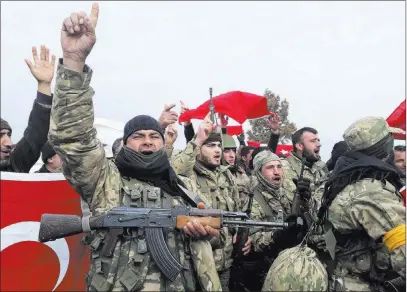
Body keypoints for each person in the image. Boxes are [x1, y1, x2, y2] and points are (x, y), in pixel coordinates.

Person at [48, 4, 222, 291]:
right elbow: (73, 138)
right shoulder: (106, 181)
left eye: (154, 136)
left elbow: (213, 238)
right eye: (138, 136)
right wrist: (73, 61)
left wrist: (203, 233)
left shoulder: (183, 186)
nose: (148, 141)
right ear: (125, 143)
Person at [314, 116, 405, 291]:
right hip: (358, 283)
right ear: (385, 148)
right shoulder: (372, 191)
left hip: (335, 275)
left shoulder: (338, 179)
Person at [172, 118, 251, 291]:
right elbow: (172, 170)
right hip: (195, 263)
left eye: (218, 146)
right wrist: (197, 139)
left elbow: (237, 211)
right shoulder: (188, 175)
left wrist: (244, 234)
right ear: (198, 149)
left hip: (226, 262)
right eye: (210, 146)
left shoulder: (226, 175)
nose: (217, 150)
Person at [1, 45, 55, 173]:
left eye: (8, 135)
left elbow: (36, 134)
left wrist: (44, 85)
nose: (8, 142)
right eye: (0, 135)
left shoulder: (14, 165)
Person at [281, 127, 328, 199]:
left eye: (318, 140)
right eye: (313, 141)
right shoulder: (283, 167)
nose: (318, 144)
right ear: (300, 146)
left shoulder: (321, 166)